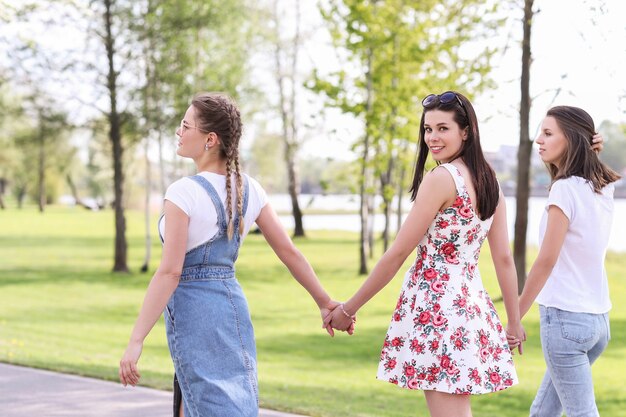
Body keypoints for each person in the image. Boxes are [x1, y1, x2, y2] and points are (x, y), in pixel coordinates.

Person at [118, 92, 340, 417]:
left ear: (209, 139)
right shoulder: (249, 188)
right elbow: (289, 252)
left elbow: (170, 273)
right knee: (221, 401)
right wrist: (324, 301)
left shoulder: (183, 192)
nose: (179, 132)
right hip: (232, 309)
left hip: (195, 313)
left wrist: (136, 339)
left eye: (185, 125)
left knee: (206, 403)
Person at [324, 91, 526, 417]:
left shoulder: (442, 178)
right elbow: (503, 258)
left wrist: (349, 308)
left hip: (439, 309)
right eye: (427, 129)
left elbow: (398, 252)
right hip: (469, 305)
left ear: (466, 131)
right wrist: (513, 322)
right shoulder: (491, 183)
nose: (432, 137)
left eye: (442, 128)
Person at [512, 106, 619, 417]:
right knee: (543, 411)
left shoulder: (563, 189)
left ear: (571, 139)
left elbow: (546, 260)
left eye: (548, 133)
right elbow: (593, 168)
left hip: (565, 322)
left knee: (582, 413)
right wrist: (590, 148)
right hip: (598, 322)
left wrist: (516, 316)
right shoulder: (603, 188)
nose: (539, 141)